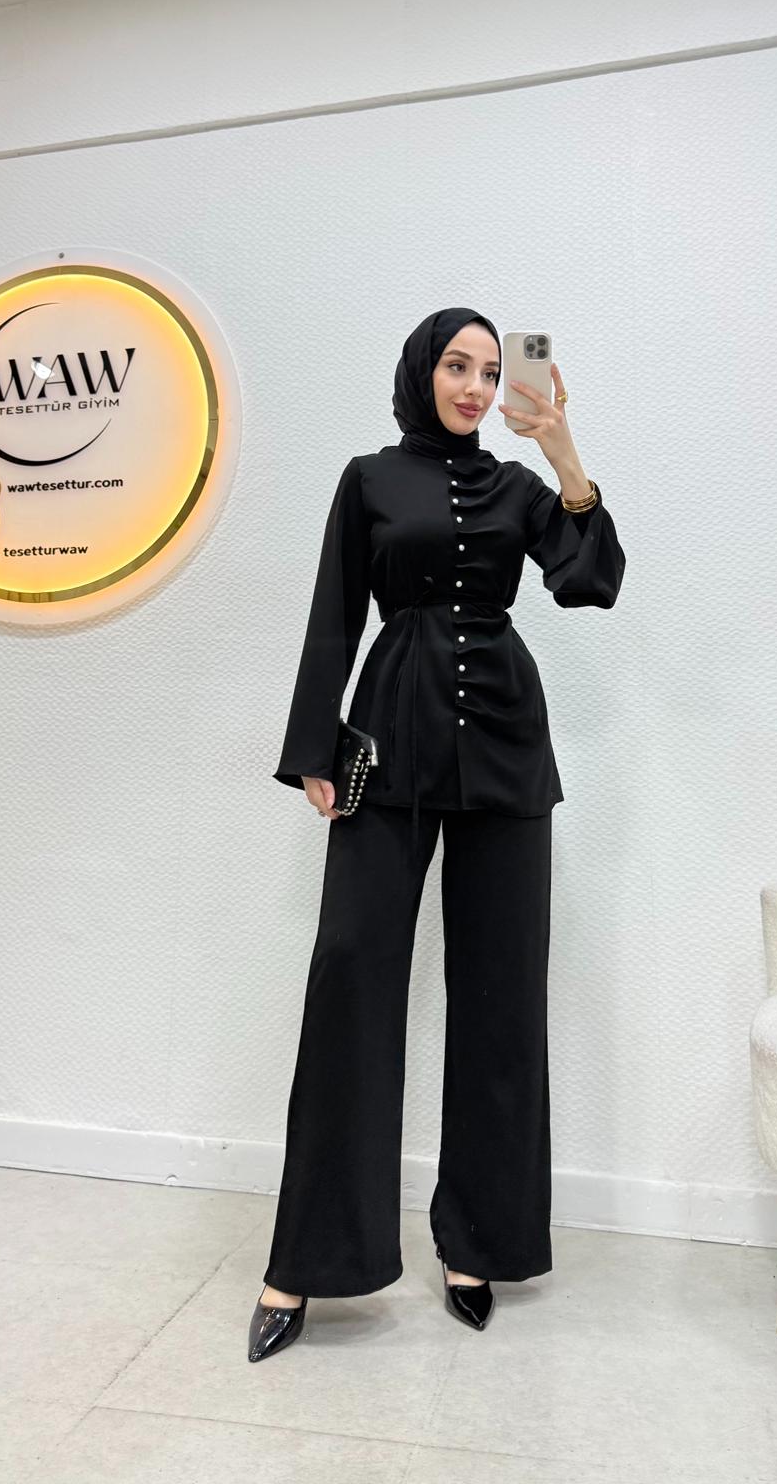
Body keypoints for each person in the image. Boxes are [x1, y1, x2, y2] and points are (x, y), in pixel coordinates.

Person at [248, 306, 626, 1360]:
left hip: (505, 743)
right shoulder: (370, 479)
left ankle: (478, 1241)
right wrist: (314, 748)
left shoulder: (516, 487)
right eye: (458, 365)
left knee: (502, 994)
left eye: (492, 371)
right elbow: (335, 611)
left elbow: (590, 582)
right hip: (390, 734)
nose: (474, 385)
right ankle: (306, 1259)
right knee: (352, 976)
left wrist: (562, 452)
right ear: (422, 370)